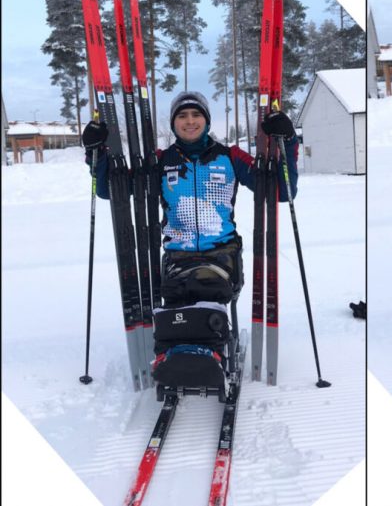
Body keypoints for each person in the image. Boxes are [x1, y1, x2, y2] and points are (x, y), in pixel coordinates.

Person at [82, 90, 299, 388]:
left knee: (206, 289)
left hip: (221, 255)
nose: (190, 121)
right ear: (173, 123)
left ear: (206, 119)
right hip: (177, 258)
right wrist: (97, 152)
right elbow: (110, 190)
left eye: (196, 114)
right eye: (182, 116)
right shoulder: (160, 161)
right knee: (177, 300)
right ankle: (181, 356)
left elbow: (282, 191)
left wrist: (288, 141)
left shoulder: (231, 157)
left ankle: (208, 352)